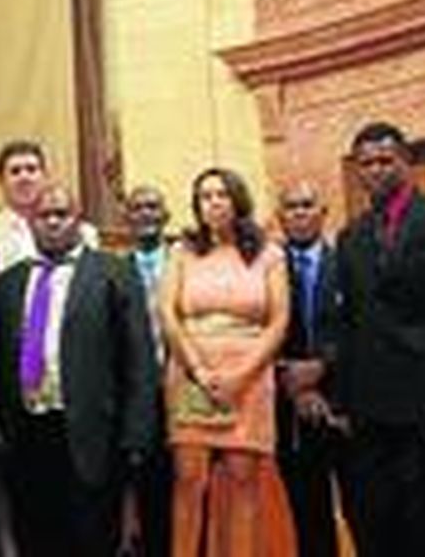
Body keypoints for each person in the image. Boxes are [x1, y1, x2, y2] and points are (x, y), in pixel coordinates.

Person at [332, 122, 425, 555]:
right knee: (376, 516)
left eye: (385, 160)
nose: (376, 170)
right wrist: (341, 400)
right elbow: (347, 323)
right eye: (366, 163)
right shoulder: (349, 237)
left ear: (406, 162)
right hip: (368, 402)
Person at [0, 182, 157, 556]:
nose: (53, 223)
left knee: (91, 537)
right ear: (31, 223)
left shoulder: (112, 274)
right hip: (27, 430)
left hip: (93, 432)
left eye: (62, 215)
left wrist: (138, 433)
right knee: (36, 534)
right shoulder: (8, 284)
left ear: (79, 220)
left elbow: (138, 358)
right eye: (44, 216)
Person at [158, 167, 289, 557]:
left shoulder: (269, 253)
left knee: (242, 481)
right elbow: (168, 312)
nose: (213, 203)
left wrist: (241, 374)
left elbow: (279, 320)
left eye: (221, 195)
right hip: (191, 371)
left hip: (247, 376)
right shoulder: (182, 252)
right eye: (204, 197)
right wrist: (198, 369)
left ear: (237, 200)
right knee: (188, 480)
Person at [273, 180, 343, 557]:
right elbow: (256, 331)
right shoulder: (265, 269)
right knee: (308, 518)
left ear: (323, 212)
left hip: (345, 409)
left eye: (306, 205)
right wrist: (295, 383)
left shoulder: (348, 264)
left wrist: (322, 369)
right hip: (289, 415)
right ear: (279, 217)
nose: (299, 213)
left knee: (364, 512)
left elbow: (363, 330)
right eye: (290, 206)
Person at [121, 183, 174, 556]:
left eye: (152, 207)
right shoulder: (115, 270)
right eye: (137, 208)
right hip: (138, 397)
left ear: (166, 214)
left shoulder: (187, 261)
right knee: (148, 488)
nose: (145, 214)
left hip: (185, 389)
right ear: (126, 218)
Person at [0, 140, 98, 273]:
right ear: (1, 181)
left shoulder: (84, 233)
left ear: (45, 177)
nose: (24, 177)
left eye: (31, 170)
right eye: (15, 171)